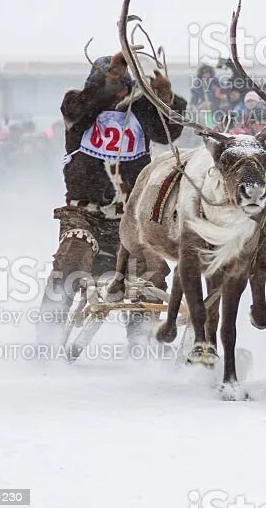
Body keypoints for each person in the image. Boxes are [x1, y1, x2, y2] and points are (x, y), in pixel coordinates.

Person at [38, 52, 187, 345]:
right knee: (72, 257)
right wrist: (110, 80)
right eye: (111, 84)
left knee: (153, 268)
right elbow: (78, 108)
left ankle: (141, 340)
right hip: (84, 215)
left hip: (131, 217)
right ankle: (47, 335)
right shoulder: (77, 107)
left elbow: (169, 131)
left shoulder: (142, 112)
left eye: (123, 85)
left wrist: (166, 99)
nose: (119, 90)